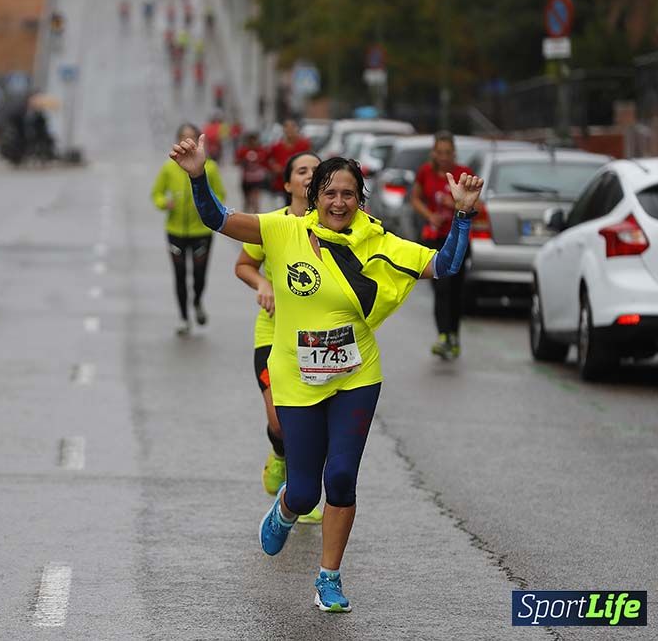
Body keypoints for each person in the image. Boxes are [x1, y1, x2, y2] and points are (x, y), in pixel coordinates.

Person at [170, 133, 482, 612]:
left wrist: (463, 213)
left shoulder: (376, 241)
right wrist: (197, 176)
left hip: (356, 376)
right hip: (296, 377)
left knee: (340, 479)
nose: (339, 202)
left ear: (360, 199)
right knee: (303, 488)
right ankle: (286, 510)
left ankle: (329, 577)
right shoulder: (282, 230)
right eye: (330, 193)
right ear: (313, 196)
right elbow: (218, 218)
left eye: (349, 194)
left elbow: (446, 264)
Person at [235, 152, 324, 525]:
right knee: (279, 422)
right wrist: (264, 283)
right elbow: (242, 265)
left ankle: (297, 491)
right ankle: (280, 455)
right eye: (301, 171)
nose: (309, 177)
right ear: (287, 183)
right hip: (272, 335)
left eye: (317, 172)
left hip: (317, 341)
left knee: (313, 422)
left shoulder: (334, 226)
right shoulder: (270, 225)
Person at [151, 124, 227, 336]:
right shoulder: (169, 168)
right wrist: (164, 203)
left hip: (201, 231)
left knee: (199, 275)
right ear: (177, 141)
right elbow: (156, 194)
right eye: (183, 137)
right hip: (175, 230)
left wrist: (206, 205)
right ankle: (184, 318)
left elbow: (220, 194)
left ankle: (197, 302)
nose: (187, 141)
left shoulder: (209, 167)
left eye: (191, 137)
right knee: (180, 275)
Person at [409, 131, 473, 360]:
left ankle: (454, 335)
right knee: (441, 289)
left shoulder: (462, 173)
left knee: (456, 290)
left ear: (454, 153)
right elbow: (414, 198)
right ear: (433, 152)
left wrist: (456, 205)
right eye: (440, 152)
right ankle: (443, 336)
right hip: (433, 237)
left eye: (448, 152)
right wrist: (429, 215)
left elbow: (474, 202)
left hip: (457, 238)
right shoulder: (425, 172)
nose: (444, 156)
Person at [267, 118, 312, 207]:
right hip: (281, 184)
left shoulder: (304, 145)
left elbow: (310, 160)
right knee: (281, 210)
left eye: (292, 128)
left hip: (300, 184)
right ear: (284, 130)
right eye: (287, 128)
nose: (290, 131)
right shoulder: (276, 146)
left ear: (297, 129)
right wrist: (274, 167)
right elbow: (267, 160)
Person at [234, 131, 269, 214]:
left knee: (255, 199)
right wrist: (244, 161)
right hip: (246, 179)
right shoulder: (243, 151)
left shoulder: (261, 150)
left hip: (257, 179)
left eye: (254, 140)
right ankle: (246, 215)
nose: (253, 143)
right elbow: (236, 162)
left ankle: (256, 215)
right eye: (250, 141)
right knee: (247, 200)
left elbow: (266, 162)